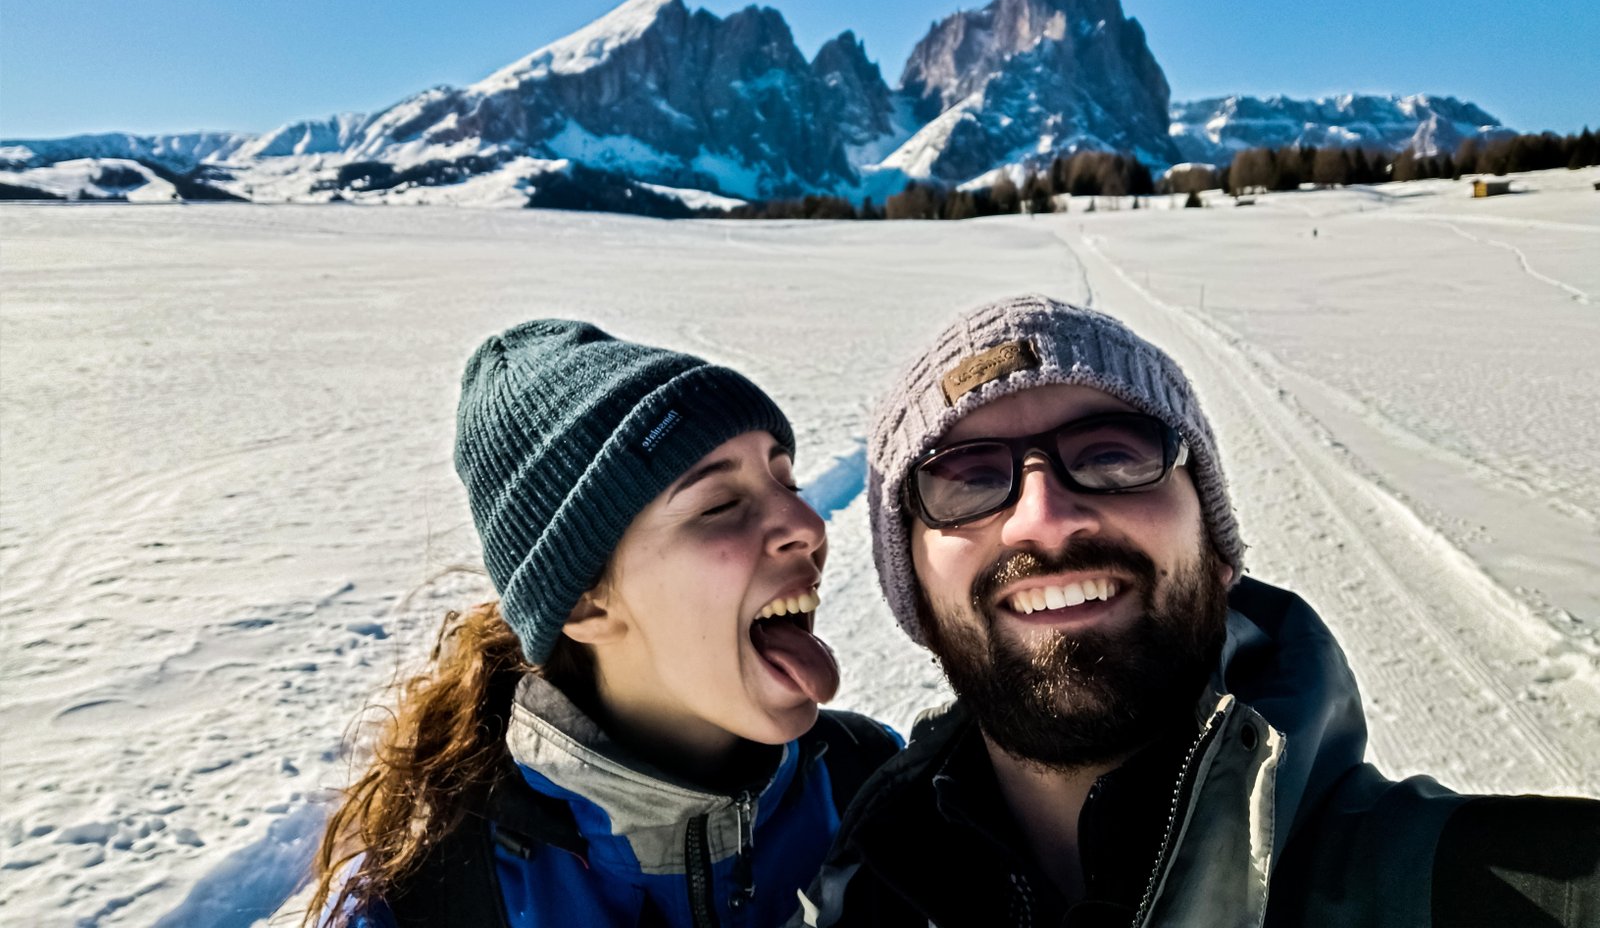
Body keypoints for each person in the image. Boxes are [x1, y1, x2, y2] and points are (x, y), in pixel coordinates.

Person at [798, 295, 1599, 927]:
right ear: (916, 595)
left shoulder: (1495, 884)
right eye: (965, 479)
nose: (1045, 518)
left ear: (1218, 549)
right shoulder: (858, 888)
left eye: (1113, 454)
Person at [303, 319, 899, 928]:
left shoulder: (879, 789)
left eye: (787, 481)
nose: (807, 523)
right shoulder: (436, 898)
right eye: (720, 505)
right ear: (586, 602)